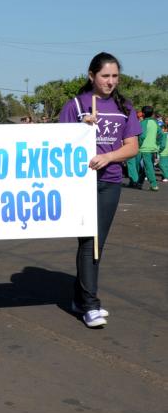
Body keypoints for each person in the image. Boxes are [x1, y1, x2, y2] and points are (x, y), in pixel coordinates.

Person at [58, 52, 140, 328]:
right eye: (105, 76)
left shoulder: (124, 107)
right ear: (91, 75)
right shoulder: (76, 105)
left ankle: (79, 299)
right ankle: (90, 306)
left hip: (111, 182)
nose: (110, 81)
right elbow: (57, 142)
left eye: (115, 76)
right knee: (88, 241)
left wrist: (109, 156)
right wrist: (81, 129)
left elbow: (132, 147)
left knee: (96, 243)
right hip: (81, 182)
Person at [135, 106, 162, 191]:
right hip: (153, 149)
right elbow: (160, 134)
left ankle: (154, 185)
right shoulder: (156, 123)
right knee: (145, 167)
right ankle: (139, 183)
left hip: (144, 148)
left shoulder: (143, 123)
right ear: (152, 113)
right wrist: (157, 144)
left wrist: (138, 145)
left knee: (148, 167)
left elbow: (142, 136)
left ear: (143, 113)